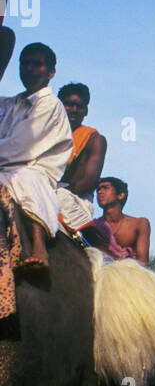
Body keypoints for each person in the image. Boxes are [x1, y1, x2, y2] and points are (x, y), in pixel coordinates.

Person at [0, 42, 72, 271]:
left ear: (51, 73)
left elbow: (20, 145)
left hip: (36, 167)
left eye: (37, 64)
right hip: (6, 165)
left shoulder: (49, 104)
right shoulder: (10, 103)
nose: (29, 68)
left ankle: (39, 248)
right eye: (25, 63)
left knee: (26, 180)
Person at [55, 82, 107, 233]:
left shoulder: (95, 139)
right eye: (69, 104)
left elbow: (89, 181)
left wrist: (51, 193)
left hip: (73, 199)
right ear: (58, 106)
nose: (74, 110)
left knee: (59, 196)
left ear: (86, 111)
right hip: (42, 188)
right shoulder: (47, 133)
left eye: (80, 106)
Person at [93, 176, 150, 263]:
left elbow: (143, 262)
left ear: (120, 195)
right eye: (98, 190)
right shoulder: (93, 227)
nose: (100, 192)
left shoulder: (139, 224)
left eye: (105, 188)